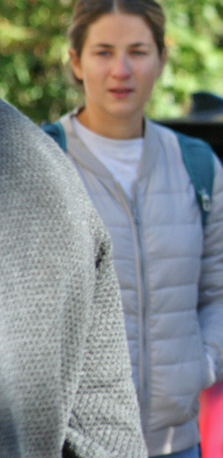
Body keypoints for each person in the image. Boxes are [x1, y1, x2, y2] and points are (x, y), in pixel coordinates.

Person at [51, 0, 223, 458]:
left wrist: (202, 365)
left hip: (175, 442)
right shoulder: (39, 161)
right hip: (71, 444)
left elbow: (221, 291)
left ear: (161, 59)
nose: (121, 70)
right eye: (103, 52)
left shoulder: (197, 165)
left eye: (138, 52)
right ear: (76, 61)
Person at [0, 101, 147, 456]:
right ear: (78, 71)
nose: (121, 74)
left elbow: (219, 283)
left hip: (173, 418)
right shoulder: (49, 152)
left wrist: (202, 367)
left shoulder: (31, 159)